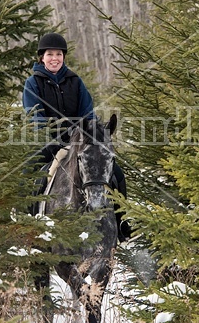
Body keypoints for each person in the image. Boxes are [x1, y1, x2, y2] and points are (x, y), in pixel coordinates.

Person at [22, 32, 131, 242]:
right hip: (50, 142)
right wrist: (50, 137)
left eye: (58, 54)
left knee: (116, 172)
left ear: (64, 57)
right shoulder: (33, 83)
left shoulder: (75, 81)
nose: (54, 58)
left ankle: (121, 222)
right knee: (30, 175)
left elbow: (87, 112)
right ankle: (32, 228)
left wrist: (90, 133)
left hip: (80, 140)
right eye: (50, 54)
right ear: (41, 58)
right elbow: (34, 115)